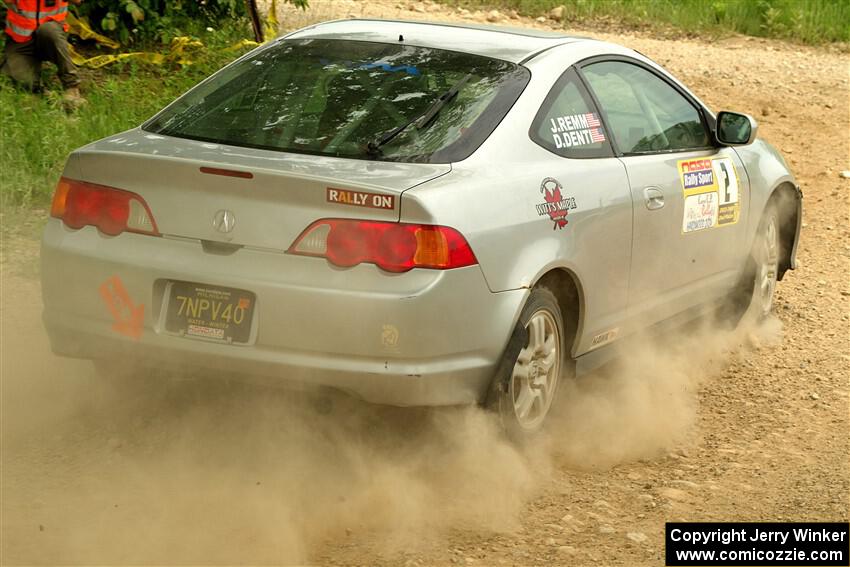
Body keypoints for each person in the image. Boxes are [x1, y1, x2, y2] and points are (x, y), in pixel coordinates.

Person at [2, 0, 85, 110]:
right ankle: (44, 94)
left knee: (49, 31)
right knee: (23, 83)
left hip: (50, 34)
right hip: (21, 40)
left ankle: (71, 87)